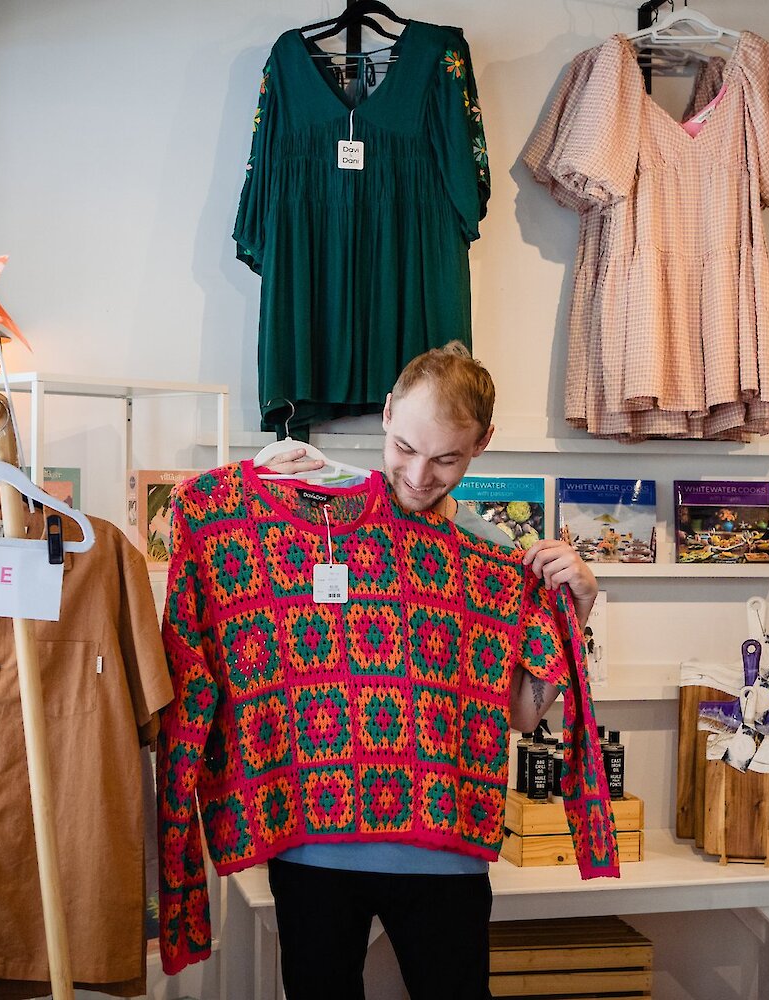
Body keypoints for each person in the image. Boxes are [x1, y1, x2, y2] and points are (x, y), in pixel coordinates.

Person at [261, 341, 601, 999]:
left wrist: (574, 616)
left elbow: (522, 715)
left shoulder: (493, 555)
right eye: (404, 448)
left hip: (445, 846)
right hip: (316, 840)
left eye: (445, 458)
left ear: (482, 443)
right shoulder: (311, 521)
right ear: (386, 414)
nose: (418, 475)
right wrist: (260, 478)